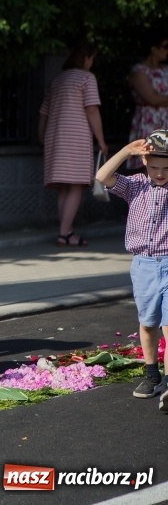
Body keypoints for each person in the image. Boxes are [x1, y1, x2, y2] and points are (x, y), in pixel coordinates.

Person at [95, 131, 168, 411]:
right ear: (145, 163)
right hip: (144, 264)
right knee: (148, 323)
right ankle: (152, 375)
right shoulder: (135, 185)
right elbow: (101, 178)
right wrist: (127, 151)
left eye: (166, 169)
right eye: (154, 167)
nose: (160, 174)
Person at [38, 39, 108, 247]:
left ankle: (66, 230)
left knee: (64, 187)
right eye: (92, 58)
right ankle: (65, 233)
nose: (92, 63)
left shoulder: (58, 79)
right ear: (86, 58)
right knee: (77, 185)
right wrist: (101, 140)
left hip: (55, 136)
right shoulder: (87, 78)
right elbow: (92, 110)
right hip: (76, 136)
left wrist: (42, 136)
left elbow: (43, 111)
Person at [127, 30, 168, 170]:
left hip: (166, 119)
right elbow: (151, 98)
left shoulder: (166, 69)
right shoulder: (139, 71)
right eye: (165, 46)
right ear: (154, 49)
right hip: (149, 122)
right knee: (150, 162)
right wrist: (158, 99)